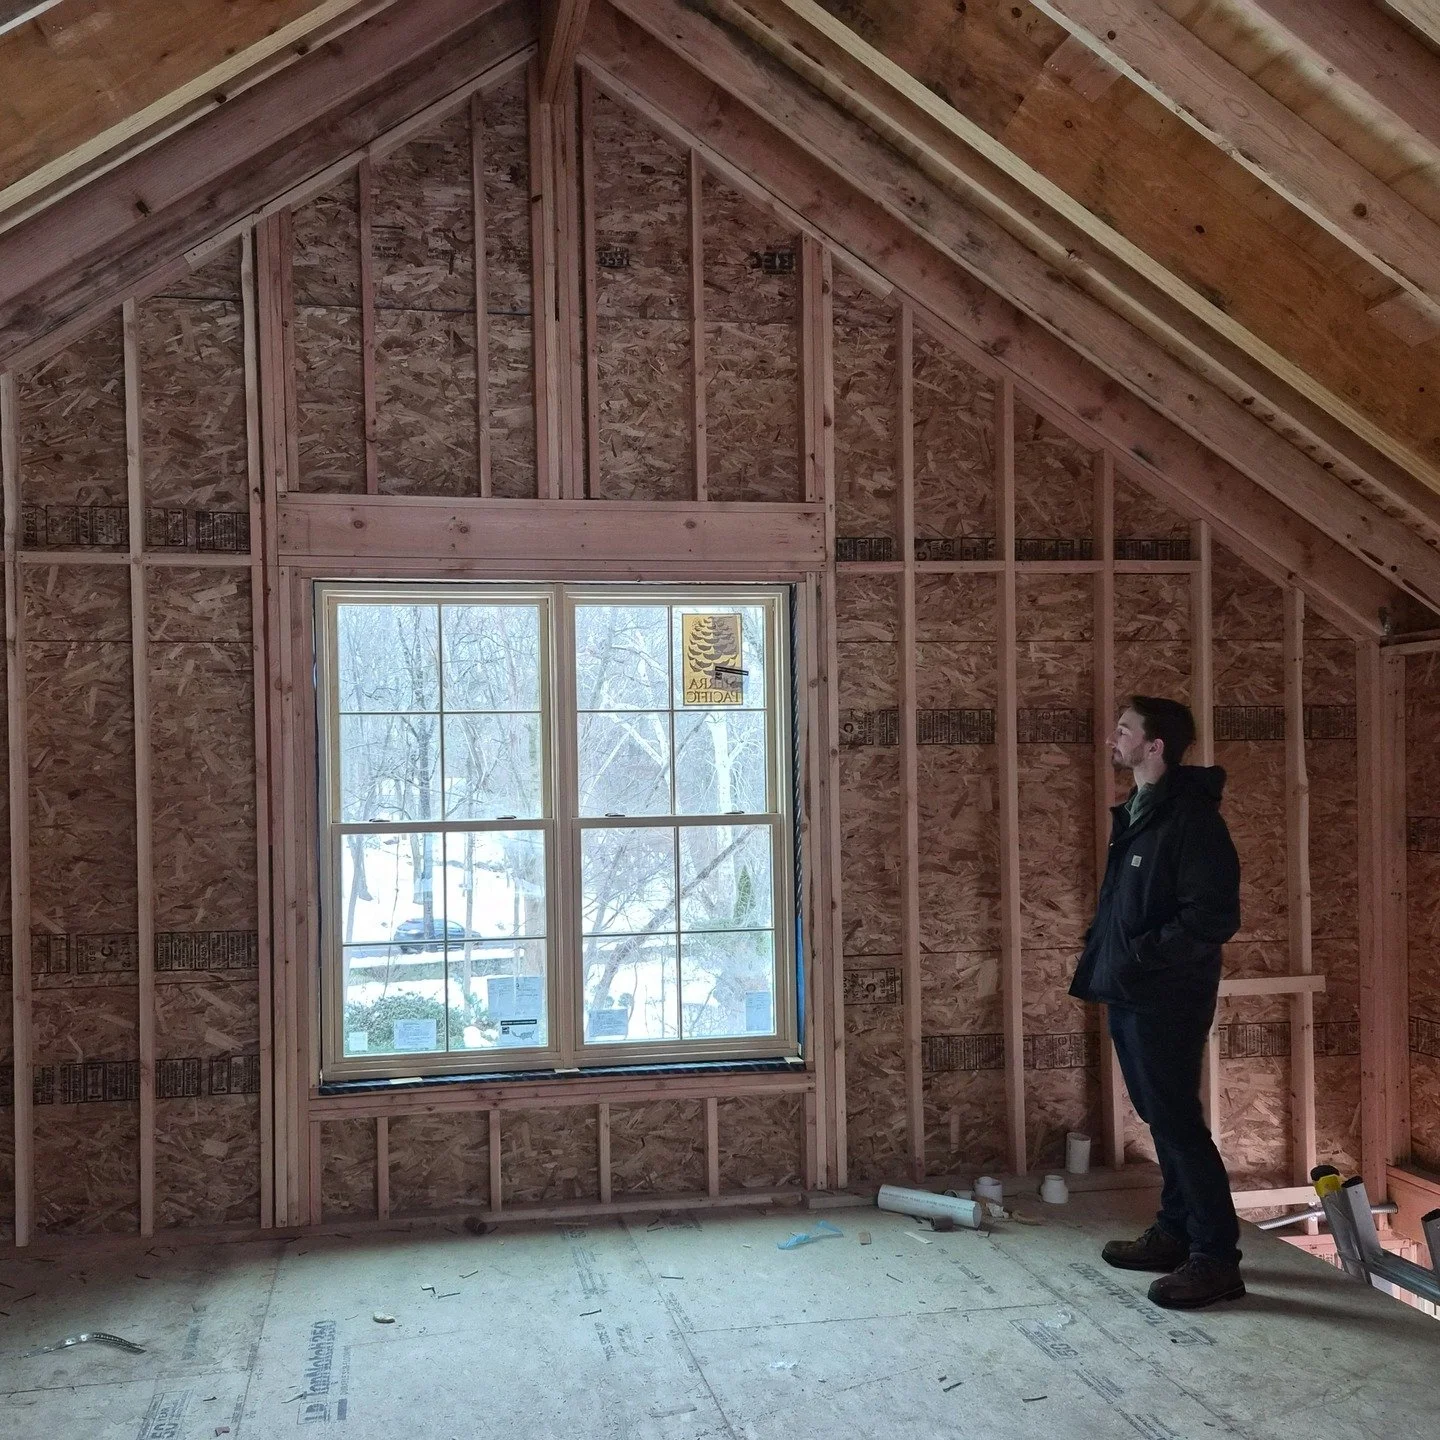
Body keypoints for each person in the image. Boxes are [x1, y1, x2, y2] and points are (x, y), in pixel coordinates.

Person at [1070, 696, 1243, 1310]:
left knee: (1177, 1124)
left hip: (1166, 997)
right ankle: (1175, 1232)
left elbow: (1214, 917)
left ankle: (1216, 1258)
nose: (1113, 738)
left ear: (1156, 746)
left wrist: (1143, 955)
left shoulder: (1191, 821)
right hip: (1133, 991)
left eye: (1125, 730)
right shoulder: (1143, 813)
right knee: (1160, 1116)